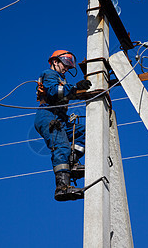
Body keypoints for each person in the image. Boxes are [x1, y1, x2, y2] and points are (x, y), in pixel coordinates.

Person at [34, 50, 91, 201]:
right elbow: (53, 92)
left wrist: (81, 89)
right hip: (48, 116)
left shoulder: (62, 78)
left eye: (68, 67)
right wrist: (75, 88)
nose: (66, 69)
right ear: (55, 62)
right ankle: (62, 188)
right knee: (62, 146)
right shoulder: (49, 74)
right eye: (64, 65)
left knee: (84, 132)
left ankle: (72, 163)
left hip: (61, 118)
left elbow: (67, 92)